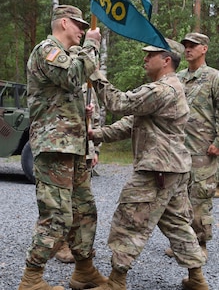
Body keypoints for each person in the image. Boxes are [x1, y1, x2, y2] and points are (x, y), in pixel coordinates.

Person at [86, 38, 208, 290]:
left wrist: (92, 72)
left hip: (157, 170)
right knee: (176, 224)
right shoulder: (168, 89)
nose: (144, 59)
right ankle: (197, 279)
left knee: (129, 221)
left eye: (150, 55)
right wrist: (96, 134)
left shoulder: (163, 90)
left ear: (166, 61)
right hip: (172, 169)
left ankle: (116, 282)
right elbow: (131, 123)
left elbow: (118, 103)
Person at [18, 5, 107, 290]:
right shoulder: (47, 50)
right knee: (56, 214)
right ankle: (31, 278)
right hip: (55, 146)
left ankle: (84, 270)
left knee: (84, 211)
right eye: (79, 25)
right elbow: (72, 77)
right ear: (64, 22)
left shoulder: (68, 55)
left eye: (85, 27)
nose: (83, 30)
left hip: (74, 147)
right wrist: (92, 44)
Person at [165, 32, 219, 259]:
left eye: (193, 46)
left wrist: (218, 141)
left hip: (203, 150)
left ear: (204, 48)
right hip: (179, 149)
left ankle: (201, 245)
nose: (188, 49)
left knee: (199, 199)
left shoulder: (214, 77)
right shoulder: (178, 77)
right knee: (179, 199)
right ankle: (182, 244)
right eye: (186, 45)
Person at [55, 49, 101, 263]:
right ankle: (61, 243)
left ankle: (79, 246)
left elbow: (97, 123)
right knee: (62, 200)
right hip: (64, 148)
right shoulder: (60, 82)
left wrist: (95, 150)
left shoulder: (88, 86)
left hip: (84, 149)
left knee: (82, 202)